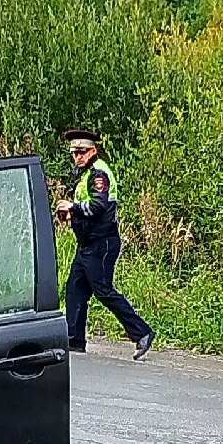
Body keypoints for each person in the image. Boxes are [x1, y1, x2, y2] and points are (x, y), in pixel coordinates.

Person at [60, 131, 155, 360]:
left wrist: (72, 207)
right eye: (74, 153)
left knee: (103, 290)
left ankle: (142, 333)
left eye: (82, 152)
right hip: (87, 245)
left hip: (101, 244)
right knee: (75, 289)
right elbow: (89, 212)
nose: (78, 157)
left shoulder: (99, 173)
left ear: (93, 151)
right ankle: (74, 341)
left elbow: (98, 206)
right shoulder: (84, 174)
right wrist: (72, 217)